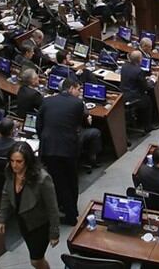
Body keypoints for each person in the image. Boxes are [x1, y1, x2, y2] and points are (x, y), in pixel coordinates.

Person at [37, 79, 100, 224]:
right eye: (78, 89)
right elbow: (80, 124)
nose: (80, 92)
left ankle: (66, 208)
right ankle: (71, 215)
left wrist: (46, 140)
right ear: (71, 88)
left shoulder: (47, 101)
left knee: (58, 181)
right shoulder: (77, 103)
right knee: (70, 180)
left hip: (49, 148)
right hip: (68, 147)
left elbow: (39, 125)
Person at [0, 142, 59, 269]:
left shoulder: (42, 179)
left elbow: (52, 208)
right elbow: (6, 194)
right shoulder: (10, 171)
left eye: (19, 161)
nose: (14, 165)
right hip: (23, 222)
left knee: (36, 261)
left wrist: (54, 233)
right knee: (36, 258)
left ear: (28, 161)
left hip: (40, 225)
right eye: (12, 161)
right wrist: (2, 219)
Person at [120, 50, 158, 132]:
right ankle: (148, 126)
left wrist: (144, 79)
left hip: (123, 95)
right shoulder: (138, 71)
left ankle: (139, 120)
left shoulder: (124, 66)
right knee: (148, 100)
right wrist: (153, 80)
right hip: (133, 97)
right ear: (140, 60)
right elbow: (146, 87)